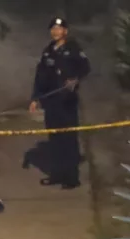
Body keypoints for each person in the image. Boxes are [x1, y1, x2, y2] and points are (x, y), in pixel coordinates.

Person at [29, 17, 90, 190]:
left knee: (68, 139)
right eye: (53, 29)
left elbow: (85, 67)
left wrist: (75, 80)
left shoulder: (73, 48)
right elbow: (40, 76)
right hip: (51, 103)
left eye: (59, 28)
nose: (55, 32)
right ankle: (56, 175)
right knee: (54, 139)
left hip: (67, 102)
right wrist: (35, 98)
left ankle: (71, 178)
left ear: (65, 31)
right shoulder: (48, 51)